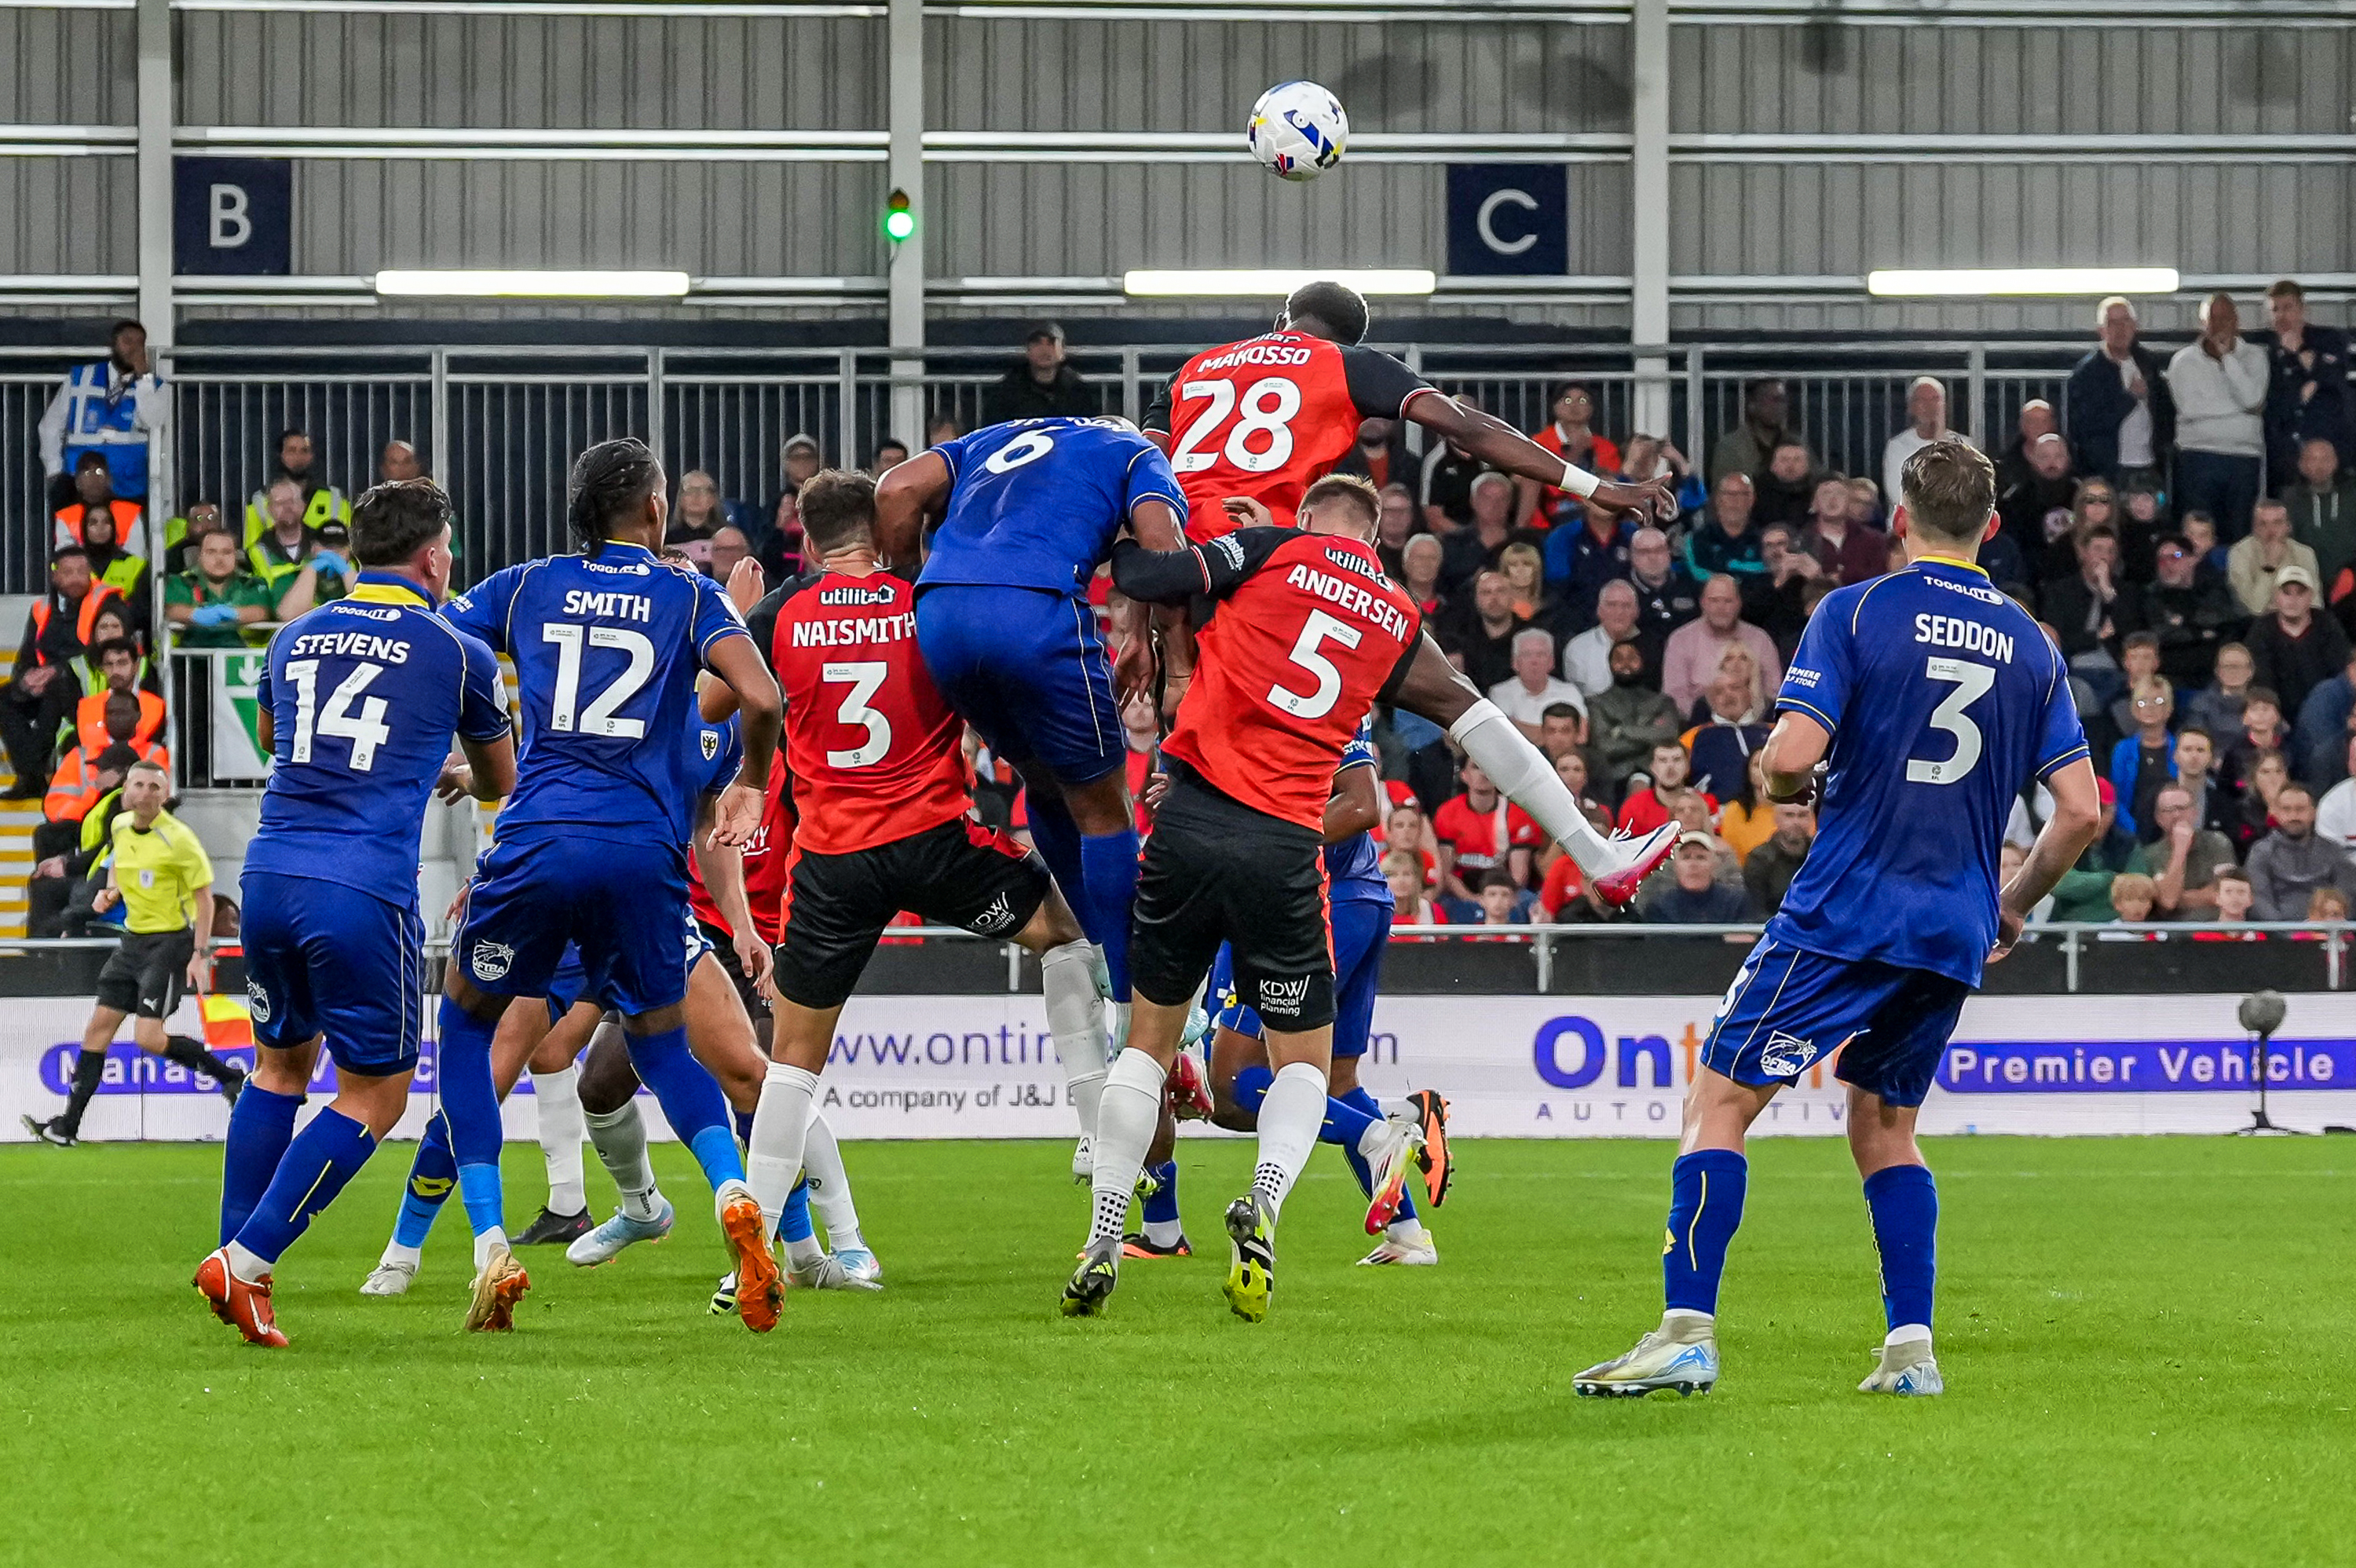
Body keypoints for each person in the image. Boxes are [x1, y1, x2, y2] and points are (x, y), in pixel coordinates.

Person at [1068, 474, 1677, 1321]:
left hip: (1191, 822)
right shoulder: (1393, 619)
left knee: (1150, 1049)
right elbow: (1476, 723)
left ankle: (1104, 1233)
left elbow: (1152, 579)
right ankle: (1270, 1212)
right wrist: (1586, 842)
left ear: (1308, 520)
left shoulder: (1271, 552)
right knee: (1307, 1071)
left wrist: (1149, 533)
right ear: (1379, 541)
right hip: (1287, 851)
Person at [1575, 439, 2102, 1401]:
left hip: (1849, 908)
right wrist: (2012, 905)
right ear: (1989, 527)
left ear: (1901, 520)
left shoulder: (1856, 609)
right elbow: (2079, 810)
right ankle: (1911, 1353)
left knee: (1721, 1100)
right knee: (1886, 1126)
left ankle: (1686, 1331)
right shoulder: (2032, 641)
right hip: (1952, 922)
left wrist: (1793, 766)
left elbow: (1787, 761)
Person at [685, 472, 1088, 1325]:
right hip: (938, 843)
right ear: (882, 528)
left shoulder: (783, 613)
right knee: (1068, 933)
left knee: (791, 1059)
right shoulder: (926, 601)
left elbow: (712, 706)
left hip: (834, 860)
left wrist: (735, 617)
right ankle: (1101, 1122)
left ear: (802, 535)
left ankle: (749, 1254)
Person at [433, 437, 785, 1334]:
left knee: (467, 1027)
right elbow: (763, 696)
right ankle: (735, 1190)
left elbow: (441, 647)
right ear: (658, 513)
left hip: (542, 837)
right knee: (665, 1047)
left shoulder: (524, 584)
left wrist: (474, 750)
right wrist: (747, 778)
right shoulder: (688, 592)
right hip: (644, 851)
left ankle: (488, 1244)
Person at [188, 478, 516, 1347]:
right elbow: (501, 780)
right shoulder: (456, 650)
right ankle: (247, 1261)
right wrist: (448, 770)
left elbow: (277, 736)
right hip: (362, 885)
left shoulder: (292, 635)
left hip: (269, 873)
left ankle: (232, 1253)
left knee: (276, 1066)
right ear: (433, 556)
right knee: (376, 1090)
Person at [873, 416, 1187, 1135]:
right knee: (1106, 809)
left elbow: (895, 490)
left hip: (941, 612)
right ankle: (1134, 997)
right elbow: (1164, 550)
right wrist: (1167, 645)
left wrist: (903, 589)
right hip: (1038, 606)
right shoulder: (1137, 452)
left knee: (1044, 780)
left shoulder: (993, 439)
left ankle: (1088, 942)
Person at [1202, 718, 1447, 1267]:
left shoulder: (1282, 694)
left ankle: (1383, 1131)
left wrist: (1268, 842)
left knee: (1235, 1081)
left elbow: (1361, 806)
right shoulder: (1321, 689)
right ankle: (1407, 1233)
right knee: (1336, 1077)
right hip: (1360, 896)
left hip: (1309, 903)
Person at [22, 759, 249, 1146]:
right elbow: (121, 868)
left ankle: (231, 1079)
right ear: (125, 791)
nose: (144, 793)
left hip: (167, 944)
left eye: (154, 787)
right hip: (131, 943)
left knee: (148, 1037)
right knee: (98, 1030)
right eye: (138, 785)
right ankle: (67, 1126)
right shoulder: (120, 826)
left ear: (165, 795)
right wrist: (110, 892)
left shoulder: (179, 840)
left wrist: (199, 953)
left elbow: (205, 900)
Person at [1, 546, 119, 798]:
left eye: (81, 571)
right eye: (68, 572)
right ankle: (31, 774)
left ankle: (32, 775)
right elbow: (26, 656)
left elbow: (103, 648)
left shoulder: (105, 601)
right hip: (46, 684)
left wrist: (57, 671)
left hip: (86, 686)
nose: (76, 578)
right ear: (55, 577)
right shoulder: (41, 608)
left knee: (57, 690)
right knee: (5, 696)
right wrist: (25, 681)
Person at [2166, 293, 2269, 539]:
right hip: (2197, 459)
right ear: (2202, 324)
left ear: (2237, 321)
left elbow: (2252, 398)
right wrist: (2243, 410)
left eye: (2226, 318)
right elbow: (2190, 409)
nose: (2220, 324)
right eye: (2213, 318)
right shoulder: (2183, 361)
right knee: (2197, 535)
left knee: (2240, 534)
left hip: (2244, 459)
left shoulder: (2255, 357)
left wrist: (2228, 359)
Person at [2067, 295, 2175, 487]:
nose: (2120, 328)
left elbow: (2165, 411)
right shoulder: (2087, 373)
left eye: (2125, 321)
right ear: (2101, 330)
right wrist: (2128, 398)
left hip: (2149, 464)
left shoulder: (2147, 363)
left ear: (2135, 326)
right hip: (2109, 470)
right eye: (2113, 323)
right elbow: (2085, 425)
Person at [2264, 280, 2353, 479]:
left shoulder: (2329, 338)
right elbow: (2277, 403)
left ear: (2302, 309)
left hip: (2330, 447)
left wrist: (2300, 350)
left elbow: (2335, 377)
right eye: (2275, 310)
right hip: (2288, 455)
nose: (2281, 316)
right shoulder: (2270, 353)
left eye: (2288, 308)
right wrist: (2308, 387)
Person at [1661, 574, 1779, 718]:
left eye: (1728, 601)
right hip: (1699, 725)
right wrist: (1714, 719)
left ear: (1739, 603)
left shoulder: (1760, 639)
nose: (1721, 608)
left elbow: (1774, 692)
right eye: (1714, 601)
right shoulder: (1681, 640)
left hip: (1756, 724)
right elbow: (1674, 696)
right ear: (1702, 603)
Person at [2139, 532, 2243, 689]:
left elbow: (2225, 621)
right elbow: (2162, 635)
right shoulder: (2152, 595)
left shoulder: (2214, 587)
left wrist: (2184, 622)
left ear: (2193, 559)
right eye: (2161, 559)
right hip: (2171, 677)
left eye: (2176, 556)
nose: (2167, 564)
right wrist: (2200, 633)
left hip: (2215, 675)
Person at [2247, 568, 2348, 722]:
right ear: (2276, 596)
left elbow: (2339, 673)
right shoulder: (2262, 629)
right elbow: (2261, 681)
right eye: (2286, 592)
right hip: (2277, 719)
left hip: (2324, 715)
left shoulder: (2327, 625)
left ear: (2311, 596)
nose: (2293, 600)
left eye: (2300, 593)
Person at [2127, 784, 2238, 921]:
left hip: (2214, 928)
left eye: (2182, 808)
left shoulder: (2218, 843)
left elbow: (2225, 895)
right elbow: (2168, 901)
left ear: (2195, 812)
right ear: (2158, 818)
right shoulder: (2149, 855)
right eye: (2168, 810)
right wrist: (2180, 850)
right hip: (2171, 932)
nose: (2177, 815)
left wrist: (2179, 897)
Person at [2245, 783, 2356, 919]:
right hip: (2276, 936)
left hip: (2328, 932)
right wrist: (2287, 934)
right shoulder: (2261, 852)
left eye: (2300, 809)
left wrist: (2322, 929)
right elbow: (2260, 900)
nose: (2294, 816)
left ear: (2313, 813)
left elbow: (2346, 898)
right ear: (2275, 813)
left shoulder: (2333, 851)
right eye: (2286, 809)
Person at [1590, 638, 1683, 786]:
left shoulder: (1663, 702)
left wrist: (1622, 730)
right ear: (1610, 665)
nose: (1626, 664)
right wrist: (1649, 740)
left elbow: (1668, 735)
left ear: (1643, 662)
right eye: (1619, 659)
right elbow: (1604, 747)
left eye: (1632, 658)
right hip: (1614, 779)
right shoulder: (1597, 703)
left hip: (1659, 775)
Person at [164, 528, 274, 649]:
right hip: (190, 663)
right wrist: (197, 615)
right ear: (200, 556)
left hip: (239, 662)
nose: (219, 559)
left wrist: (230, 614)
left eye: (226, 552)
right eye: (211, 552)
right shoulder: (181, 581)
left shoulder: (252, 583)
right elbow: (173, 610)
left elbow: (260, 612)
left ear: (236, 556)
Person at [243, 429, 351, 547]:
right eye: (291, 451)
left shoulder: (335, 499)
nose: (298, 457)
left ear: (312, 456)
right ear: (280, 455)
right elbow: (252, 551)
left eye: (305, 451)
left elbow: (348, 547)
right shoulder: (259, 501)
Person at [1882, 378, 1970, 517]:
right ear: (1910, 407)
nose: (1930, 406)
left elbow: (1965, 491)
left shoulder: (1965, 445)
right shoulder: (1897, 446)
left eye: (1935, 399)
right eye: (1921, 400)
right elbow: (1898, 494)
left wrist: (1940, 438)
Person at [1682, 660, 1769, 796]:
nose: (1728, 695)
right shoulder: (1694, 736)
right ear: (1711, 701)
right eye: (1719, 692)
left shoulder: (1773, 732)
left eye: (1735, 688)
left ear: (1749, 693)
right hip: (1716, 811)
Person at [982, 322, 1097, 425]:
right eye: (1037, 343)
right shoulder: (1006, 392)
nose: (1044, 349)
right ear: (1028, 350)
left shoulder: (1078, 392)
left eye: (1051, 343)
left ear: (1062, 351)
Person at [2284, 439, 2356, 593]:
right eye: (2313, 460)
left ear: (2336, 462)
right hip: (2304, 581)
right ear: (2301, 465)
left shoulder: (2352, 494)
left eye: (2325, 459)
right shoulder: (2290, 499)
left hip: (2351, 580)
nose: (2320, 466)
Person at [1487, 627, 1585, 741]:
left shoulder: (1569, 691)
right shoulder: (1499, 693)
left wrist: (1516, 725)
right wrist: (1561, 733)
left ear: (1551, 662)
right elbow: (1502, 737)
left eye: (1541, 654)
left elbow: (1581, 737)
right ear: (1515, 663)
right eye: (1527, 655)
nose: (1534, 661)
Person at [2227, 499, 2318, 620]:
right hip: (2255, 626)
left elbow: (2315, 605)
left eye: (2277, 523)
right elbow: (2255, 608)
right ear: (2254, 528)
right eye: (2263, 524)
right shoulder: (2239, 553)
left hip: (2299, 623)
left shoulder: (2304, 553)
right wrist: (2270, 567)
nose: (2271, 530)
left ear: (2288, 526)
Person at [1638, 832, 1752, 924]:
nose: (1693, 864)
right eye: (1686, 857)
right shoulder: (1659, 907)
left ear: (1714, 864)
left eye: (1701, 857)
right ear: (1675, 866)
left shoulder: (1736, 902)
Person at [1707, 378, 1805, 484]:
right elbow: (1722, 492)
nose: (1777, 406)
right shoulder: (1731, 448)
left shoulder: (1797, 445)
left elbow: (1816, 482)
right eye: (1770, 400)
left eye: (1782, 400)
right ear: (1752, 405)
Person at [1802, 473, 1887, 587]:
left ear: (1849, 501)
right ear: (1814, 503)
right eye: (1826, 493)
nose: (1833, 499)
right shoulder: (1803, 542)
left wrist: (1842, 577)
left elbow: (1880, 578)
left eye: (1840, 493)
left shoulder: (1875, 540)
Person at [1619, 740, 1714, 836]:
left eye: (1677, 760)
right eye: (1663, 760)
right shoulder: (1634, 807)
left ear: (1687, 767)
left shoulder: (1706, 804)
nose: (1670, 766)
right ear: (1652, 767)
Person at [1564, 577, 1640, 696]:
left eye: (1626, 606)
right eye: (1612, 605)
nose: (1619, 612)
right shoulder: (1578, 647)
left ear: (1636, 612)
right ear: (1599, 610)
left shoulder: (1652, 645)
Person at [1685, 473, 1764, 583]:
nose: (1734, 501)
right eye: (1728, 494)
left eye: (1742, 494)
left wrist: (1727, 565)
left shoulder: (1765, 541)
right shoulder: (1695, 540)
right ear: (1717, 499)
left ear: (1752, 500)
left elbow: (1769, 572)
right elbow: (1696, 575)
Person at [1740, 802, 1815, 918]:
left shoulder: (1822, 855)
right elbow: (1756, 909)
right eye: (1789, 815)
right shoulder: (1759, 859)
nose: (1796, 822)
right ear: (1777, 819)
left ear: (1812, 819)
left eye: (1803, 815)